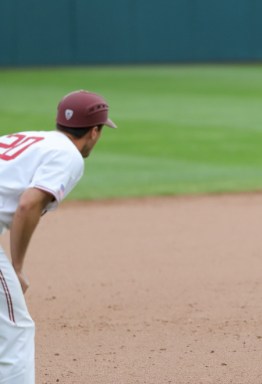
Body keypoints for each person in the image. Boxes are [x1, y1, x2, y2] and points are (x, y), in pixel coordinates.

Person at [0, 90, 116, 383]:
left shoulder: (29, 138)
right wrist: (16, 267)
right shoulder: (69, 156)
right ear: (94, 131)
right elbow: (28, 203)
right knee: (16, 328)